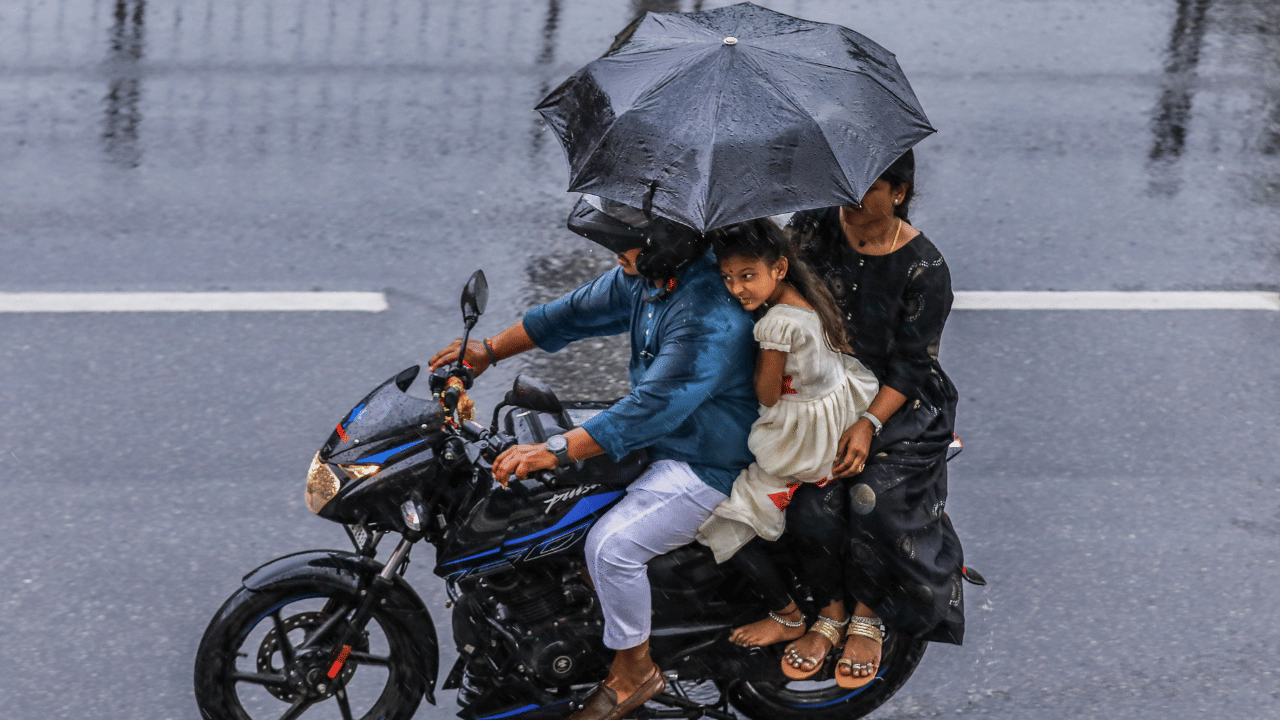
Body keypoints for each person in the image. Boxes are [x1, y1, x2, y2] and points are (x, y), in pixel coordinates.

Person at [429, 195, 757, 720]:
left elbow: (649, 409)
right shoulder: (652, 278)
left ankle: (635, 669)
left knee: (611, 548)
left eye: (620, 249)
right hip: (661, 440)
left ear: (659, 247)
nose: (615, 258)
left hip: (704, 461)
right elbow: (572, 313)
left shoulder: (708, 314)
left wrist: (552, 452)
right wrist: (486, 351)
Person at [782, 149, 966, 689]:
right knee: (807, 499)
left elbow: (911, 367)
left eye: (866, 191)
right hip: (824, 384)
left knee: (871, 497)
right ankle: (831, 607)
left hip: (900, 402)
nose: (850, 202)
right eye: (843, 188)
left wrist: (866, 424)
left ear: (899, 194)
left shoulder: (926, 270)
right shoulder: (813, 226)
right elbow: (778, 277)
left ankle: (869, 610)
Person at [692, 219, 879, 681]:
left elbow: (769, 394)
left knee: (724, 521)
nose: (737, 288)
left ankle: (787, 613)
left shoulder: (775, 324)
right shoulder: (803, 298)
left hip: (801, 440)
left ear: (778, 267)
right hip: (835, 408)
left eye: (747, 276)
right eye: (728, 278)